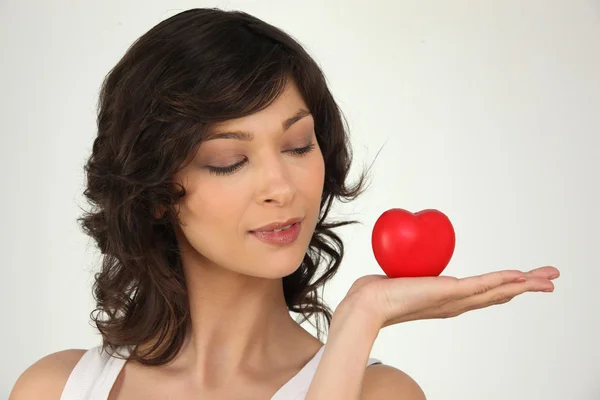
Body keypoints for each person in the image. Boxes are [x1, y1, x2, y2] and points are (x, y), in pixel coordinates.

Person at [9, 8, 559, 400]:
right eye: (228, 159)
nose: (282, 185)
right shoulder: (54, 389)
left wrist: (357, 322)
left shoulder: (380, 393)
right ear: (154, 193)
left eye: (298, 146)